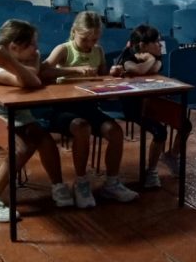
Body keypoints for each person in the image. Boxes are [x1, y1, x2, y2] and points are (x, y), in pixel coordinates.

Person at [43, 11, 138, 206]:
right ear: (74, 32)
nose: (89, 44)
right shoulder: (64, 49)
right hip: (63, 108)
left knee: (115, 132)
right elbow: (43, 71)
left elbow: (102, 78)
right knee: (82, 127)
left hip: (89, 106)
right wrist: (73, 70)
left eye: (94, 40)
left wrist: (112, 74)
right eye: (85, 39)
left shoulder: (98, 51)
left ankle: (112, 183)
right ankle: (81, 182)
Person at [0, 21, 75, 222]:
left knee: (45, 140)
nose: (37, 48)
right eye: (32, 44)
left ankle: (58, 186)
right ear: (14, 47)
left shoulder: (22, 61)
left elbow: (32, 75)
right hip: (2, 118)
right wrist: (11, 62)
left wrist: (28, 61)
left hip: (19, 117)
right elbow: (32, 80)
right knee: (21, 149)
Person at [110, 25, 190, 187]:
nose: (160, 45)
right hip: (132, 106)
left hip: (154, 103)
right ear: (143, 45)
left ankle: (172, 155)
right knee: (160, 132)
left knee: (185, 125)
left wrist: (150, 60)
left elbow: (152, 68)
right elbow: (137, 69)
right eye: (156, 42)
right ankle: (151, 171)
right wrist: (151, 60)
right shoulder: (128, 55)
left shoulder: (155, 56)